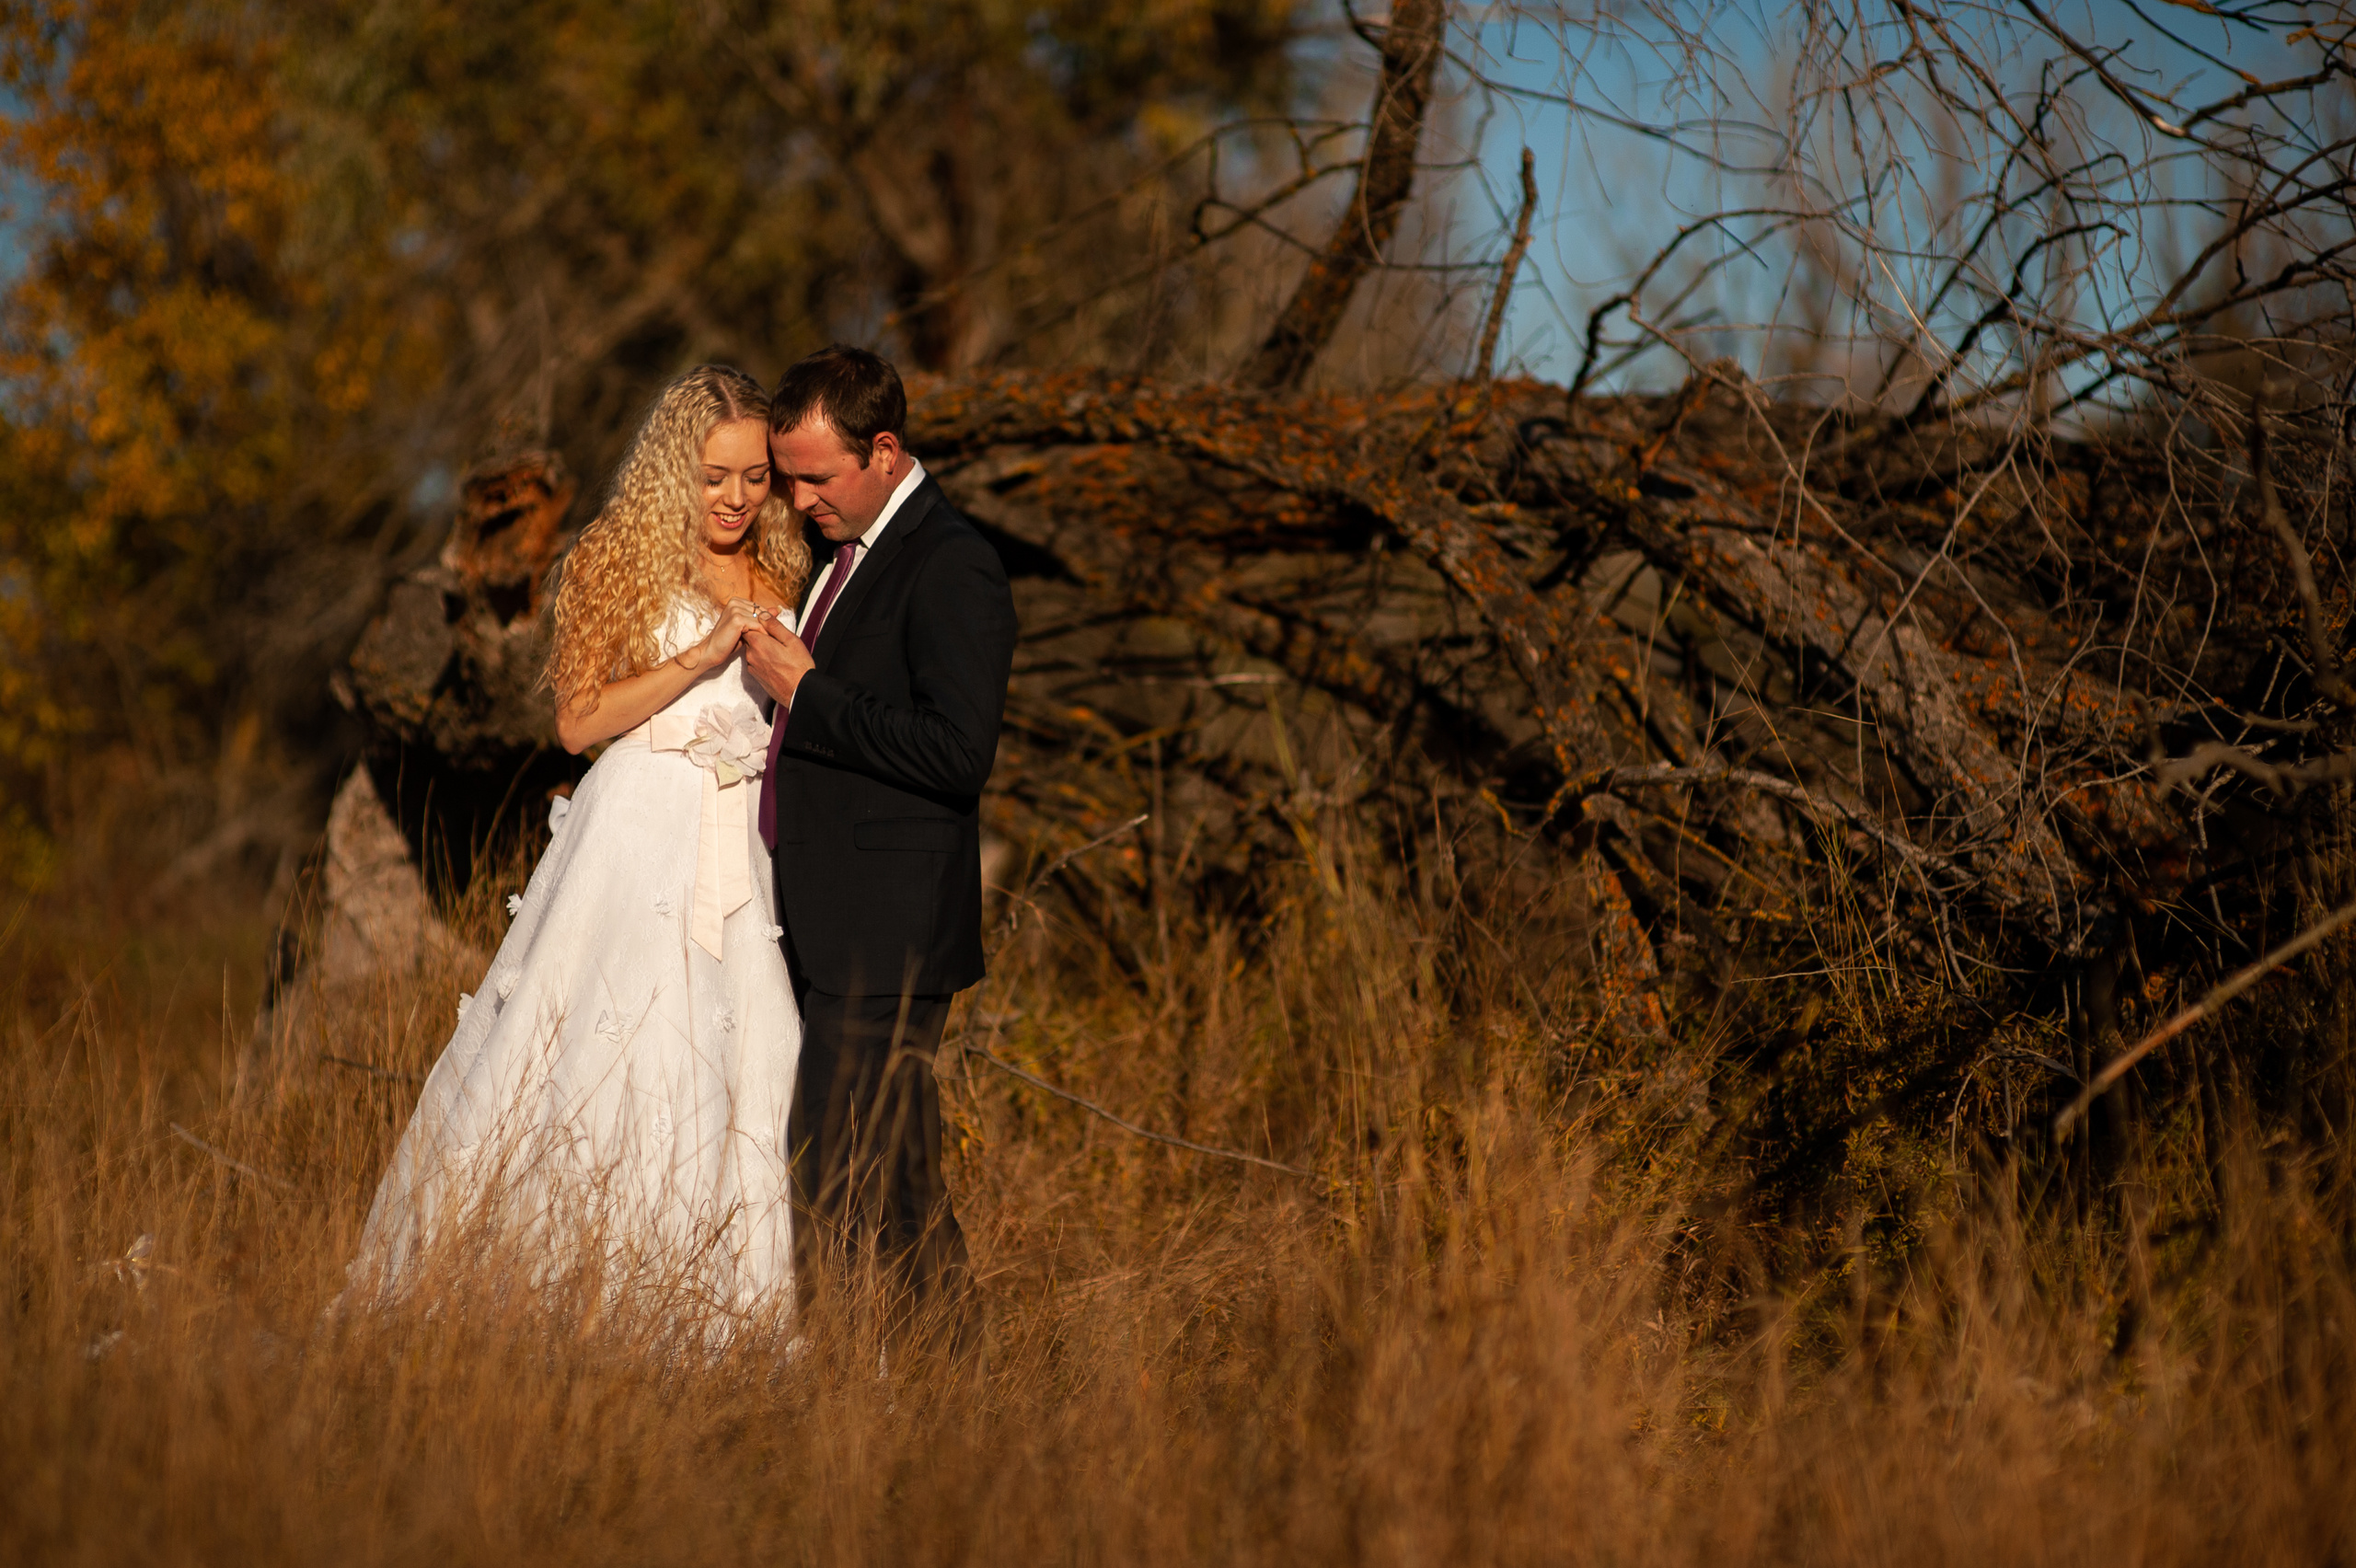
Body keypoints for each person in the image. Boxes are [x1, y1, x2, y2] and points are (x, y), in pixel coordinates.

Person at [350, 365, 811, 1330]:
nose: (734, 499)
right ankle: (571, 1303)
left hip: (745, 842)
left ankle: (729, 1316)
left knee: (753, 1050)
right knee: (623, 1051)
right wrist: (699, 657)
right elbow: (574, 722)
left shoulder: (787, 568)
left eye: (753, 477)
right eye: (712, 477)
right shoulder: (611, 559)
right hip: (640, 828)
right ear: (669, 472)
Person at [741, 344, 1017, 1337]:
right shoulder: (840, 557)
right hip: (827, 926)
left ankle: (839, 1386)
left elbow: (954, 754)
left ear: (885, 450)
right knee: (896, 1184)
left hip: (888, 936)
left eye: (817, 475)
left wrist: (808, 693)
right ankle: (954, 1381)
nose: (800, 496)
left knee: (828, 1171)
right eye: (789, 476)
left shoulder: (952, 564)